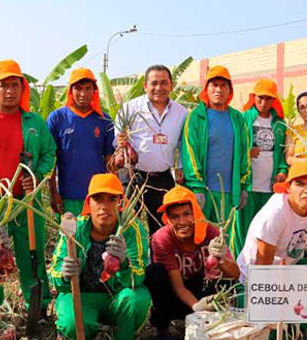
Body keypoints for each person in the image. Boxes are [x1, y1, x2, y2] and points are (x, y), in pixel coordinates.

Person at [0, 59, 56, 328]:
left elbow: (49, 153)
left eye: (15, 85)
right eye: (4, 85)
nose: (10, 90)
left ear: (21, 88)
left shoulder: (34, 122)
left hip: (27, 203)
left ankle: (37, 304)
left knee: (32, 253)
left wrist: (36, 178)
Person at [49, 173, 151, 340]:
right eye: (98, 199)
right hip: (83, 297)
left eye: (112, 199)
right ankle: (83, 338)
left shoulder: (132, 228)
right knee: (70, 319)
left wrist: (124, 263)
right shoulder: (74, 228)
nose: (105, 206)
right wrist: (64, 274)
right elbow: (55, 272)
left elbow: (139, 276)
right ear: (89, 203)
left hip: (116, 297)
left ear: (120, 203)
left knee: (137, 299)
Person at [237, 160, 307, 333]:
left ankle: (302, 328)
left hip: (289, 271)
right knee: (262, 334)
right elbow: (263, 271)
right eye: (300, 184)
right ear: (288, 188)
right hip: (255, 282)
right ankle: (282, 328)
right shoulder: (275, 213)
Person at [144, 185, 239, 340]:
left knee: (225, 279)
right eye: (175, 217)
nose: (182, 222)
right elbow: (178, 285)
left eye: (187, 214)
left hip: (204, 287)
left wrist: (222, 259)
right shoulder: (161, 239)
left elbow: (235, 275)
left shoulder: (211, 232)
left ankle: (216, 322)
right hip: (176, 292)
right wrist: (197, 307)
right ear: (167, 219)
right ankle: (162, 327)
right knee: (155, 272)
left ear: (195, 212)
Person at [180, 65, 250, 255]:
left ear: (229, 90)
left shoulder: (237, 119)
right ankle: (200, 280)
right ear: (206, 89)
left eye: (223, 86)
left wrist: (244, 185)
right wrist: (197, 187)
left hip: (229, 192)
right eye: (214, 85)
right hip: (204, 192)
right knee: (200, 237)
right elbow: (189, 152)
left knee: (225, 239)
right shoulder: (196, 117)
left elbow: (245, 153)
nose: (219, 90)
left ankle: (225, 280)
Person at [114, 64, 187, 234]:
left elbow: (184, 144)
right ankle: (132, 261)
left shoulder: (181, 113)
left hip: (162, 178)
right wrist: (122, 146)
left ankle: (158, 260)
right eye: (153, 83)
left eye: (164, 83)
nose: (158, 88)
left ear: (171, 85)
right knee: (127, 226)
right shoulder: (130, 108)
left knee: (163, 230)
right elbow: (117, 140)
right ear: (145, 86)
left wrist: (181, 167)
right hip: (133, 176)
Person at [47, 68, 114, 216]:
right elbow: (51, 159)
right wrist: (53, 193)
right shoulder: (57, 118)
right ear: (70, 90)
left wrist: (114, 194)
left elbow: (110, 160)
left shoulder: (104, 120)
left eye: (87, 88)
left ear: (94, 90)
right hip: (67, 196)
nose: (83, 94)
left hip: (98, 196)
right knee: (69, 237)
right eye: (78, 88)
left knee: (97, 237)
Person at [239, 79, 289, 253]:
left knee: (265, 230)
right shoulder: (243, 118)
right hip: (248, 185)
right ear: (253, 97)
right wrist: (246, 152)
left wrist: (283, 171)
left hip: (270, 188)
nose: (264, 103)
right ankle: (239, 270)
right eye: (260, 98)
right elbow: (233, 147)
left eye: (268, 99)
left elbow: (284, 153)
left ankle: (262, 267)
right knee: (244, 229)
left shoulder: (280, 123)